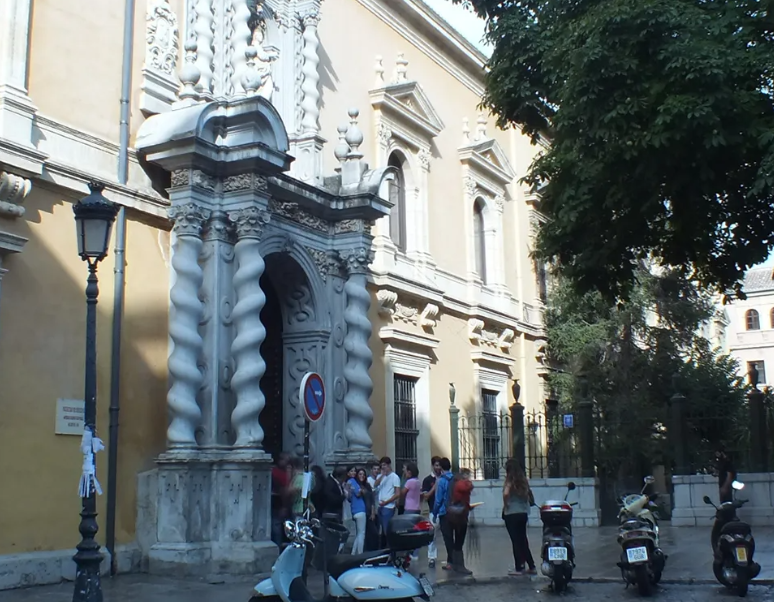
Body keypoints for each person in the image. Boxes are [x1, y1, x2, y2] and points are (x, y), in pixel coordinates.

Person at [502, 459, 537, 576]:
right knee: (523, 540)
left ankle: (519, 567)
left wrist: (506, 504)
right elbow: (529, 496)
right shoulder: (524, 481)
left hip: (511, 513)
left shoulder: (509, 481)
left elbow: (506, 493)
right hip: (523, 513)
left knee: (516, 541)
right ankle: (531, 566)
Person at [447, 468, 474, 575]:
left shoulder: (454, 482)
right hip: (459, 516)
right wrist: (469, 483)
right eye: (468, 475)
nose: (469, 477)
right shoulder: (461, 484)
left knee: (456, 541)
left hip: (456, 513)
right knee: (459, 541)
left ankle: (455, 563)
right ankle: (459, 565)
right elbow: (468, 487)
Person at [432, 457, 456, 571]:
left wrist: (434, 513)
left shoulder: (441, 480)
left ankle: (450, 562)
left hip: (444, 512)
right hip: (456, 512)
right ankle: (457, 560)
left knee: (448, 538)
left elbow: (438, 500)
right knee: (455, 538)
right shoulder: (455, 479)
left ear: (441, 467)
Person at [374, 456, 401, 547]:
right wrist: (382, 475)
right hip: (380, 506)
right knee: (381, 530)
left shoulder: (395, 477)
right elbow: (375, 484)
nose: (383, 467)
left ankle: (391, 549)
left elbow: (397, 493)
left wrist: (387, 502)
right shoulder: (380, 476)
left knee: (387, 530)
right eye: (382, 466)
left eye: (384, 465)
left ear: (389, 465)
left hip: (388, 507)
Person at [422, 456, 442, 567]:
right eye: (436, 465)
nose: (438, 468)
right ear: (433, 466)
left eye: (440, 466)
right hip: (433, 511)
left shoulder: (445, 478)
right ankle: (431, 557)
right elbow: (425, 496)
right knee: (432, 535)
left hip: (444, 511)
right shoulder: (427, 480)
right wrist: (435, 486)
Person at [401, 462, 422, 560]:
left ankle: (410, 552)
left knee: (408, 531)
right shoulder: (417, 481)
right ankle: (415, 552)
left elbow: (402, 493)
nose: (404, 472)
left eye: (405, 470)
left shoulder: (409, 482)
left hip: (409, 508)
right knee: (416, 530)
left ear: (409, 472)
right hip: (417, 508)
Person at [356, 467, 379, 551]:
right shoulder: (356, 486)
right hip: (362, 512)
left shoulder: (367, 485)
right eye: (360, 474)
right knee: (363, 534)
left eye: (363, 474)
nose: (362, 476)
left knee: (374, 533)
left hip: (369, 512)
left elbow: (372, 499)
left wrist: (373, 512)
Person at [271, 452, 291, 545]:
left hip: (282, 503)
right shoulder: (275, 473)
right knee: (276, 528)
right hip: (277, 503)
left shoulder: (285, 472)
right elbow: (283, 490)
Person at [346, 465, 367, 554]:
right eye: (351, 471)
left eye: (354, 471)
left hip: (354, 509)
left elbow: (349, 497)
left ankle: (353, 552)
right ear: (348, 473)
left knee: (359, 533)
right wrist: (362, 490)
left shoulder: (348, 483)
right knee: (361, 534)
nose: (354, 473)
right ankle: (360, 553)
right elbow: (358, 493)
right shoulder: (353, 481)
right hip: (360, 509)